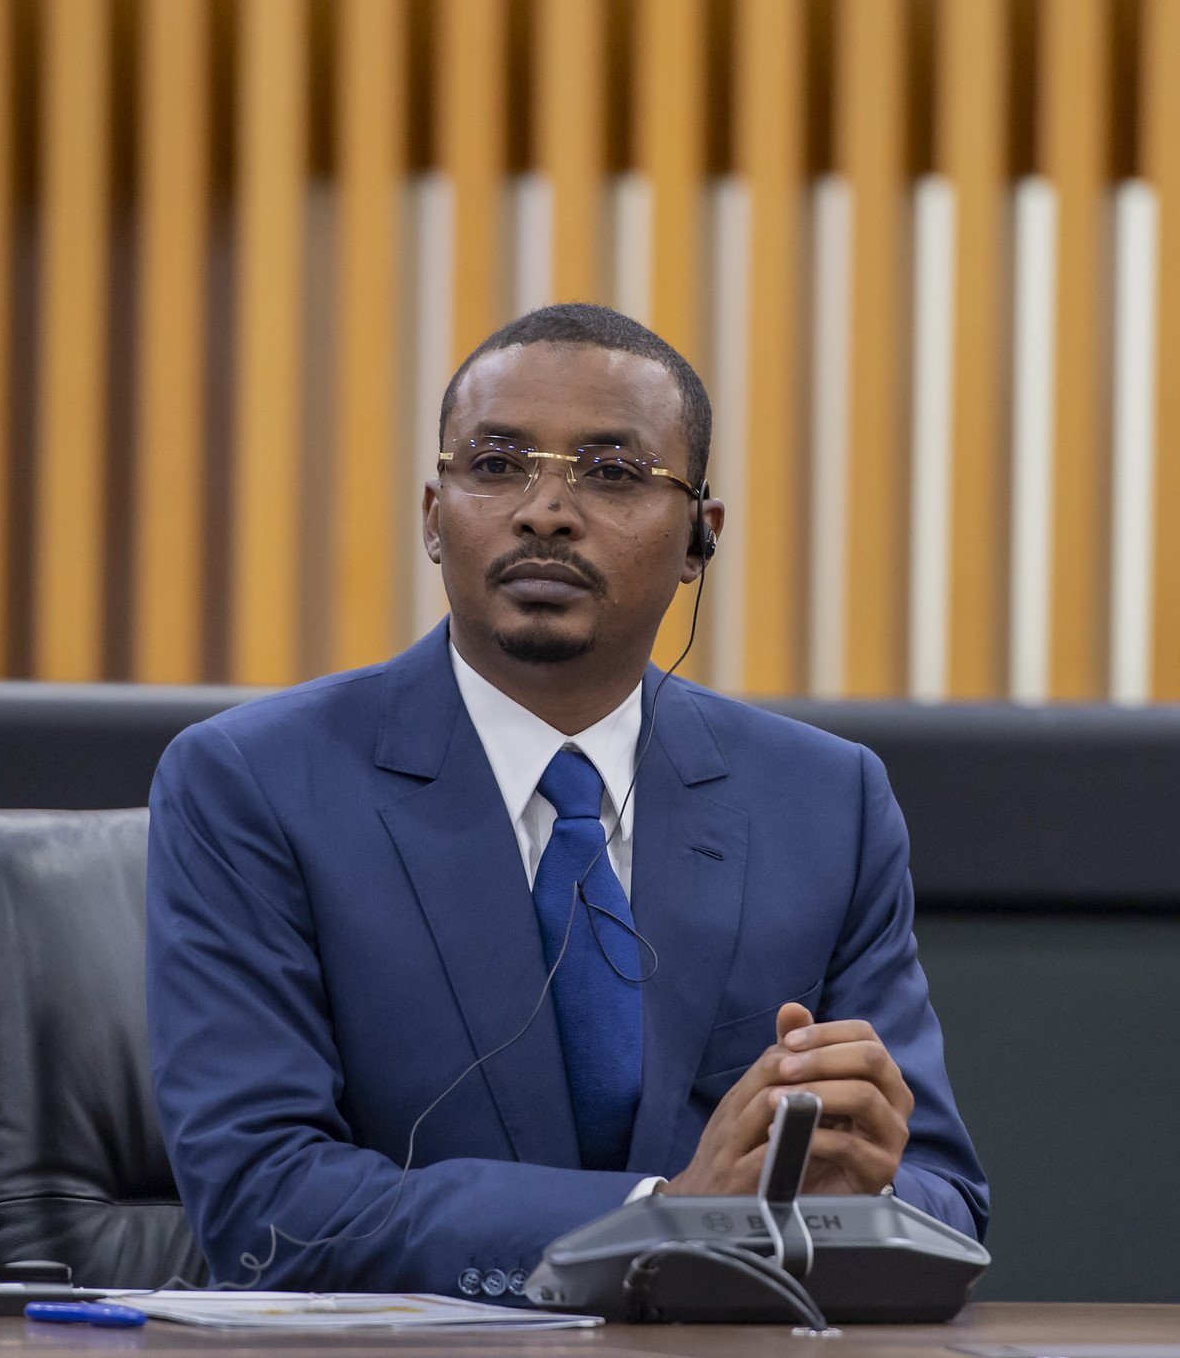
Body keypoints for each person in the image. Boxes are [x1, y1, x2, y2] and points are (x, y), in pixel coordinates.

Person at [146, 303, 987, 1301]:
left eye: (612, 472)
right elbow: (263, 1198)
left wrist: (854, 1187)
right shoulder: (253, 781)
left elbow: (942, 1202)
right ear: (432, 513)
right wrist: (659, 1216)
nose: (545, 509)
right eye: (496, 465)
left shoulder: (821, 801)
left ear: (696, 540)